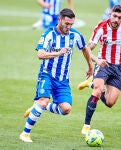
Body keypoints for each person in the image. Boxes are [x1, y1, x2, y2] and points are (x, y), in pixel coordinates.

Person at [19, 8, 93, 142]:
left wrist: (90, 66)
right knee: (43, 101)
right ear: (59, 20)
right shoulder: (48, 34)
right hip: (46, 75)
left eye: (71, 24)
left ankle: (40, 106)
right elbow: (40, 55)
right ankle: (25, 133)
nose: (69, 27)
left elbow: (84, 48)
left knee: (66, 109)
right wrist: (58, 53)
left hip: (62, 80)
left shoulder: (75, 35)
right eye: (66, 24)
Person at [81, 5, 121, 135]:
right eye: (114, 16)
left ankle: (91, 83)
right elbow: (87, 49)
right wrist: (97, 60)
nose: (116, 20)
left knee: (110, 102)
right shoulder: (101, 28)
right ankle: (86, 125)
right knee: (98, 91)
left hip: (118, 68)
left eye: (120, 18)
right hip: (103, 64)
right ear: (110, 14)